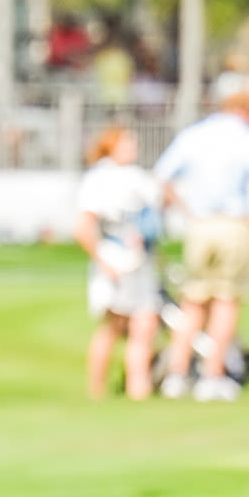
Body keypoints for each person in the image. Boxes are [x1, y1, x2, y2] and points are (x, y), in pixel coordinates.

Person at [153, 80, 249, 401]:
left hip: (199, 225)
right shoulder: (247, 137)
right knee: (226, 299)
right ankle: (213, 375)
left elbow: (163, 177)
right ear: (244, 108)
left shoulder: (194, 134)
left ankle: (177, 375)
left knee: (193, 300)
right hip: (232, 224)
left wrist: (186, 212)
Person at [73, 126, 162, 400]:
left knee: (145, 325)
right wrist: (102, 260)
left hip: (141, 260)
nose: (132, 147)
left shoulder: (138, 177)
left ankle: (139, 390)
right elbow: (84, 226)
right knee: (113, 326)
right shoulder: (99, 178)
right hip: (114, 257)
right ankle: (96, 391)